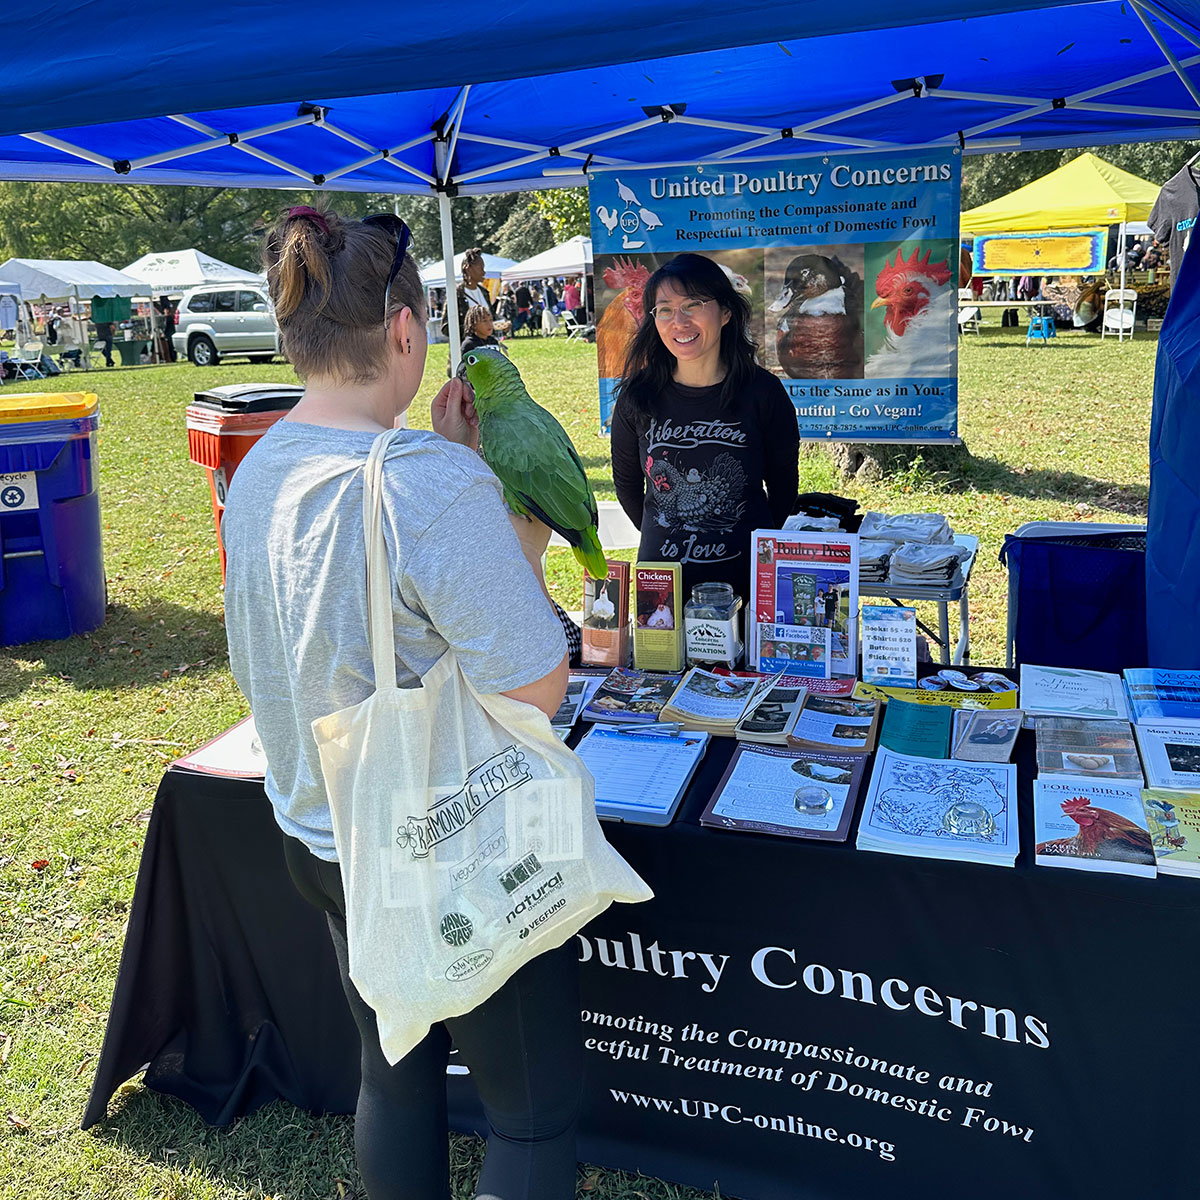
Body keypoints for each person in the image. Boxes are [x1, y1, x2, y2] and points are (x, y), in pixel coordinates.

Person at [221, 204, 578, 1200]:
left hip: (319, 834)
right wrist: (506, 523)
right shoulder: (429, 483)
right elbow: (535, 684)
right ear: (408, 330)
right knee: (534, 1113)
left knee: (397, 1069)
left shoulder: (259, 468)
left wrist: (447, 458)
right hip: (447, 847)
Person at [610, 252, 799, 604]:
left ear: (726, 312)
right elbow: (627, 487)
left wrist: (746, 539)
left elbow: (784, 486)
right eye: (665, 310)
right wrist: (667, 534)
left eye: (692, 305)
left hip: (745, 582)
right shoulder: (637, 396)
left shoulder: (763, 392)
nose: (678, 321)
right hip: (663, 585)